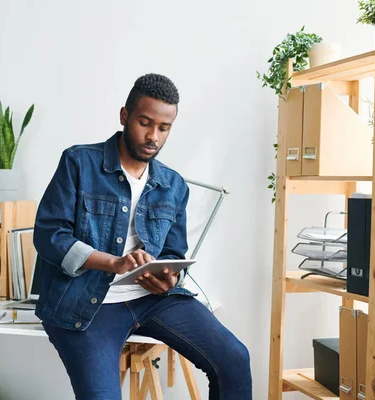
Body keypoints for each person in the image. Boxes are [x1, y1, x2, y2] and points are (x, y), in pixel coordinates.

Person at [33, 73, 252, 399]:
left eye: (164, 128)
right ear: (124, 116)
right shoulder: (80, 162)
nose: (153, 136)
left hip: (153, 301)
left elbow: (176, 253)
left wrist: (170, 279)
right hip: (85, 305)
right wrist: (114, 263)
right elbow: (50, 235)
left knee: (234, 358)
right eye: (144, 123)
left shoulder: (173, 184)